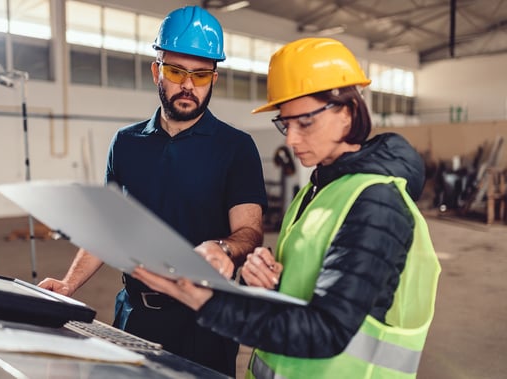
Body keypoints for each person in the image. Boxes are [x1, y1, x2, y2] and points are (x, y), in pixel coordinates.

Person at [131, 37, 441, 379]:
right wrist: (272, 285)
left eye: (304, 122)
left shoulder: (378, 202)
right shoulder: (317, 189)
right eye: (285, 123)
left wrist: (204, 300)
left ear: (348, 112)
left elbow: (328, 330)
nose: (290, 140)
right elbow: (314, 290)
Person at [38, 5, 267, 377]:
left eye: (201, 75)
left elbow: (249, 231)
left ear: (214, 78)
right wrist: (68, 284)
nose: (189, 85)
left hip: (205, 322)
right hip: (135, 312)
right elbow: (109, 226)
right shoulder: (126, 143)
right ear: (156, 70)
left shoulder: (235, 147)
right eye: (177, 71)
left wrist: (225, 248)